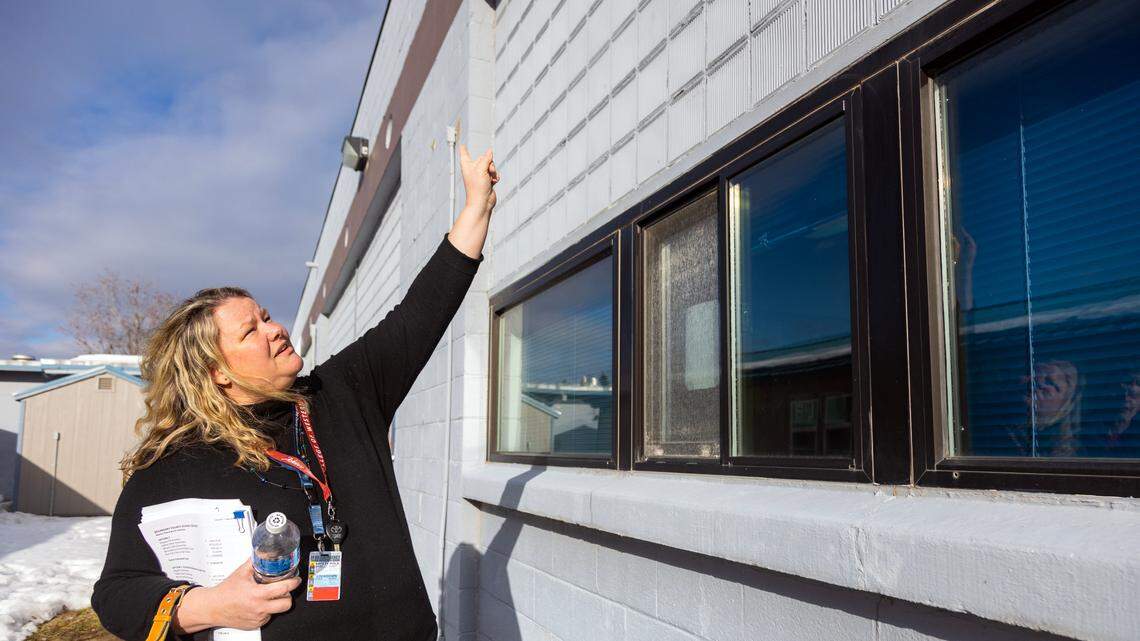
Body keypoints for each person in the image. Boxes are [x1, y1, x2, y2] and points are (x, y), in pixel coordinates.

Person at [91, 145, 499, 641]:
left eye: (266, 316)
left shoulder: (341, 393)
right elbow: (116, 593)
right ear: (216, 372)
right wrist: (206, 605)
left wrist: (476, 206)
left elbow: (421, 312)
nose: (275, 329)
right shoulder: (175, 465)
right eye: (251, 331)